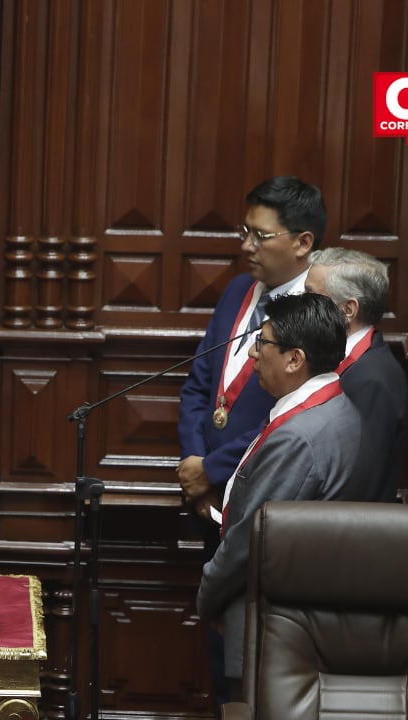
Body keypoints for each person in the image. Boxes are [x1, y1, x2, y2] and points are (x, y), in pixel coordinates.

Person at [175, 175, 325, 706]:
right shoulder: (240, 291)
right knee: (220, 654)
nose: (246, 247)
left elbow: (289, 418)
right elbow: (199, 382)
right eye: (246, 231)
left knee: (252, 663)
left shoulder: (316, 312)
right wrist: (194, 462)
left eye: (260, 236)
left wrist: (212, 473)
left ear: (302, 242)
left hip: (257, 504)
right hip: (208, 499)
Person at [195, 292, 371, 699]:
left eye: (264, 343)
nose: (255, 354)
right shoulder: (335, 408)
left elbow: (249, 542)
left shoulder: (299, 436)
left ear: (294, 359)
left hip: (275, 628)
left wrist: (206, 593)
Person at [305, 247, 408, 502]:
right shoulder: (351, 361)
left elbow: (356, 483)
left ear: (348, 310)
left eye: (310, 296)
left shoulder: (371, 379)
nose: (300, 304)